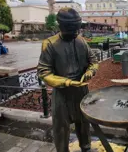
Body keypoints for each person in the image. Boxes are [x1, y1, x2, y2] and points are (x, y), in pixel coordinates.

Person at [37, 8, 98, 152]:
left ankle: (86, 147)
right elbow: (44, 72)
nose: (75, 32)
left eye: (77, 28)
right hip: (62, 93)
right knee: (61, 127)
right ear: (61, 26)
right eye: (71, 28)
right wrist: (67, 82)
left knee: (84, 123)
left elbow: (94, 61)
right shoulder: (50, 44)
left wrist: (90, 71)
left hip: (81, 90)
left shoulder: (81, 41)